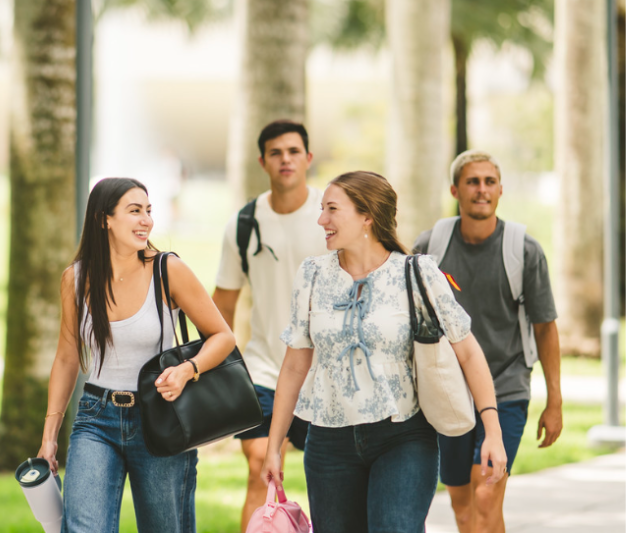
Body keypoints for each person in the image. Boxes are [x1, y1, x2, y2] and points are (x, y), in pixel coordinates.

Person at [261, 171, 508, 533]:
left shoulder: (417, 273)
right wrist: (273, 446)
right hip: (329, 441)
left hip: (403, 435)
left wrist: (493, 431)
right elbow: (295, 365)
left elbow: (468, 353)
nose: (321, 220)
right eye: (321, 209)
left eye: (331, 209)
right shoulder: (312, 275)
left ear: (367, 216)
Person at [37, 177, 235, 533]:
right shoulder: (76, 280)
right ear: (104, 219)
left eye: (148, 211)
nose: (146, 220)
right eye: (134, 211)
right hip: (96, 418)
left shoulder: (168, 270)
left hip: (160, 417)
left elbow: (222, 337)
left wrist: (188, 370)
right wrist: (49, 437)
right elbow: (67, 358)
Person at [413, 150, 562, 533]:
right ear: (455, 190)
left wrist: (554, 400)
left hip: (507, 388)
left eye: (489, 181)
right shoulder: (430, 247)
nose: (481, 190)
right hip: (449, 392)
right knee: (463, 504)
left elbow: (545, 326)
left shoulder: (524, 251)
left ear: (500, 190)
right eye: (472, 182)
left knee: (486, 494)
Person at [212, 120, 327, 531]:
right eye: (276, 153)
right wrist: (214, 371)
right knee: (260, 465)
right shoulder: (243, 224)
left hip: (325, 374)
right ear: (262, 161)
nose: (286, 160)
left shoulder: (330, 215)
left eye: (294, 151)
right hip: (264, 370)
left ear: (308, 158)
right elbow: (221, 304)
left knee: (329, 480)